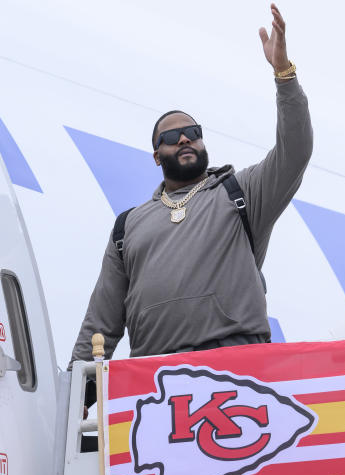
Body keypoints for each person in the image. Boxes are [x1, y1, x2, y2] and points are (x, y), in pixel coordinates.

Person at [71, 3, 312, 363]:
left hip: (235, 366)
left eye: (192, 133)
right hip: (153, 378)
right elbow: (101, 320)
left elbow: (295, 151)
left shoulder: (239, 193)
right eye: (171, 137)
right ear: (156, 156)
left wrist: (284, 74)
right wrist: (78, 391)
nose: (184, 140)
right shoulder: (128, 226)